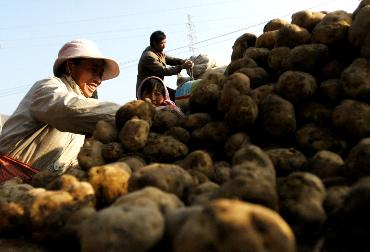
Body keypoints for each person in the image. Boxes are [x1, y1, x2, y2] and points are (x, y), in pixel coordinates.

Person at [0, 39, 121, 183]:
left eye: (100, 74)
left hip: (40, 192)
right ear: (70, 66)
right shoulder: (47, 87)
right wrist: (126, 114)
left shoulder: (82, 124)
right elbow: (69, 110)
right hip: (7, 181)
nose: (98, 80)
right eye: (93, 70)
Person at [136, 30, 194, 100]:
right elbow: (163, 71)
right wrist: (182, 67)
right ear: (154, 43)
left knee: (176, 96)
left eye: (164, 43)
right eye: (161, 43)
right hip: (147, 91)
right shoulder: (149, 56)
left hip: (157, 87)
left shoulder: (158, 51)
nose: (164, 46)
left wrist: (182, 61)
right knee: (173, 99)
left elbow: (171, 59)